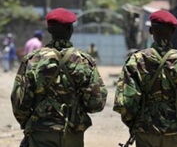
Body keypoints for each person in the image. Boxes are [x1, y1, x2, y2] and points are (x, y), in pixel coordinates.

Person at [11, 8, 107, 147]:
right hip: (72, 134)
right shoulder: (84, 61)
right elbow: (96, 103)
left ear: (49, 30)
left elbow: (19, 100)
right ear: (71, 30)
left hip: (40, 132)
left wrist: (28, 122)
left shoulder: (33, 59)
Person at [113, 10, 177, 147]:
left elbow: (126, 103)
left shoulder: (136, 60)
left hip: (147, 132)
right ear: (173, 31)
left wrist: (135, 125)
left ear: (151, 31)